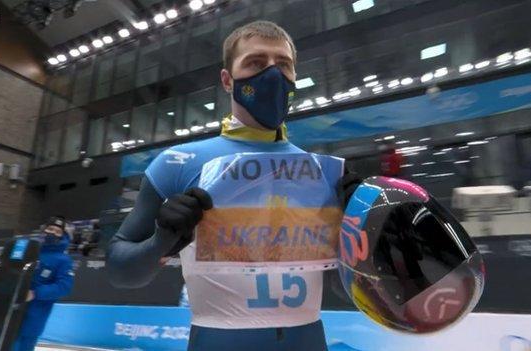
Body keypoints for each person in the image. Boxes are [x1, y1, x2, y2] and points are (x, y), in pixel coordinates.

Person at [106, 21, 360, 350]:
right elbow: (120, 272)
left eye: (283, 64)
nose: (273, 74)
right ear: (228, 80)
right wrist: (161, 241)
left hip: (306, 339)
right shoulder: (177, 164)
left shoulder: (323, 173)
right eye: (256, 62)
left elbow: (346, 288)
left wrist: (361, 233)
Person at [12, 216, 75, 351]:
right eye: (50, 229)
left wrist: (35, 293)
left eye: (57, 231)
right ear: (44, 230)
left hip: (34, 316)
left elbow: (64, 287)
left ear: (62, 235)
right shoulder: (30, 250)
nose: (52, 233)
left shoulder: (64, 260)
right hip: (11, 310)